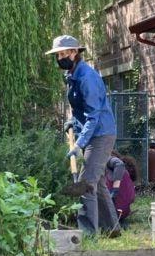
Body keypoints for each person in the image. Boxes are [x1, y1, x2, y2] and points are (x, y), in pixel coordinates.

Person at [48, 35, 120, 236]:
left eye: (64, 53)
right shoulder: (72, 75)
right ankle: (111, 229)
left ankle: (88, 233)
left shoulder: (86, 77)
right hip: (92, 133)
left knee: (86, 182)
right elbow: (80, 108)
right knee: (96, 182)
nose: (60, 57)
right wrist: (72, 121)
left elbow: (94, 114)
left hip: (101, 134)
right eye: (58, 55)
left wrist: (79, 144)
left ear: (74, 53)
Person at [106, 151, 137, 225]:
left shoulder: (106, 162)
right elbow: (132, 198)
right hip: (124, 212)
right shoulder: (126, 174)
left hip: (109, 214)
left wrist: (115, 191)